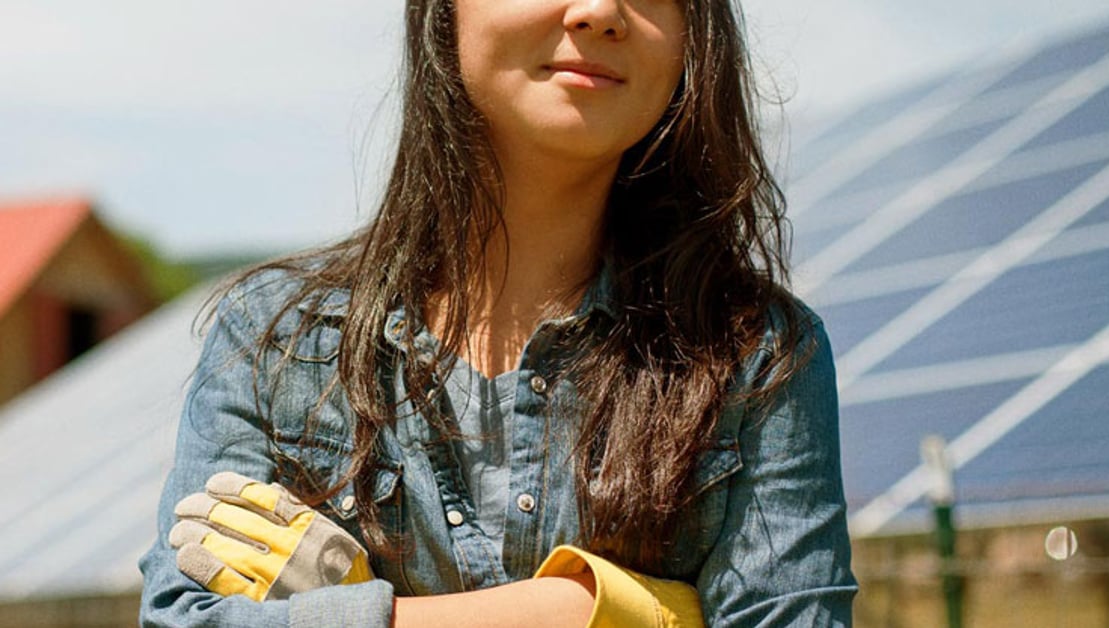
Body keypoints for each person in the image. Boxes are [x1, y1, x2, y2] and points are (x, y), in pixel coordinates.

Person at [139, 0, 858, 625]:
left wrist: (355, 605)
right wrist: (591, 612)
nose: (600, 10)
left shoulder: (756, 356)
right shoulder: (275, 343)